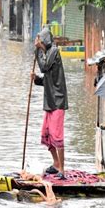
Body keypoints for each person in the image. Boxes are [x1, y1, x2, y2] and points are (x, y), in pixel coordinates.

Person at [31, 27, 68, 180]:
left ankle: (62, 170)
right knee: (46, 134)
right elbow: (48, 79)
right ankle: (56, 163)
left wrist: (38, 51)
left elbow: (44, 67)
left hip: (57, 102)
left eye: (40, 40)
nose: (39, 42)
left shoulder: (53, 51)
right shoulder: (47, 53)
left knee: (57, 135)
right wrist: (36, 79)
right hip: (49, 102)